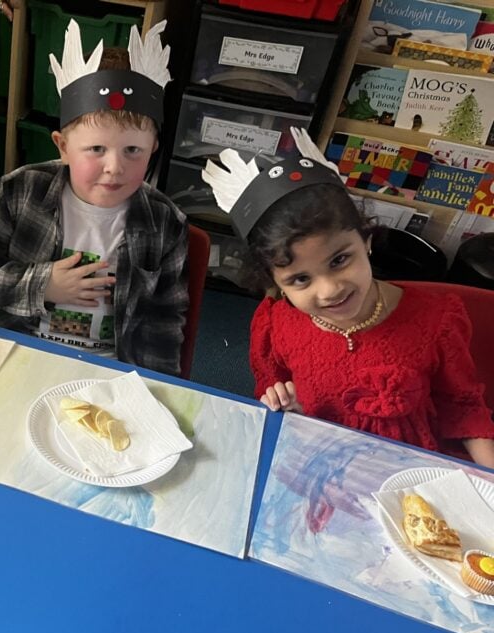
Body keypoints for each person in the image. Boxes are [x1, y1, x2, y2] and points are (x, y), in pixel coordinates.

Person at [202, 130, 494, 468]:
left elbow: (463, 407)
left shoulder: (437, 320)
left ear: (365, 240)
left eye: (340, 260)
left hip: (413, 470)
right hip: (321, 464)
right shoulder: (275, 324)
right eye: (300, 279)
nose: (330, 290)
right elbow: (274, 395)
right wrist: (284, 403)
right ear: (275, 282)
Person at [0, 20, 189, 376]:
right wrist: (41, 284)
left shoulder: (165, 222)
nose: (114, 167)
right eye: (96, 149)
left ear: (153, 149)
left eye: (133, 151)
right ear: (63, 147)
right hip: (20, 353)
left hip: (112, 371)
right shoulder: (18, 192)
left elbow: (164, 321)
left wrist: (156, 388)